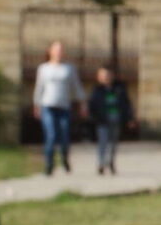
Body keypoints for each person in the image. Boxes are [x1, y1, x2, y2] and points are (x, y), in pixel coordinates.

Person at [31, 39, 82, 174]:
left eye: (61, 50)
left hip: (64, 107)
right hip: (47, 106)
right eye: (56, 49)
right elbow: (39, 88)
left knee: (64, 136)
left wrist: (83, 103)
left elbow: (76, 87)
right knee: (51, 136)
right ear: (50, 51)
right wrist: (36, 105)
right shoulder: (43, 68)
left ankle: (65, 158)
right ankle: (49, 164)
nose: (59, 52)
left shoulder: (69, 68)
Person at [88, 65, 133, 175]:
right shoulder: (97, 90)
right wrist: (93, 117)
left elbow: (126, 104)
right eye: (103, 75)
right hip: (102, 120)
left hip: (116, 119)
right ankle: (101, 163)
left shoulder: (119, 88)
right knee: (102, 142)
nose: (106, 77)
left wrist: (130, 118)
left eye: (107, 75)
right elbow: (92, 105)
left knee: (113, 143)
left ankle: (111, 162)